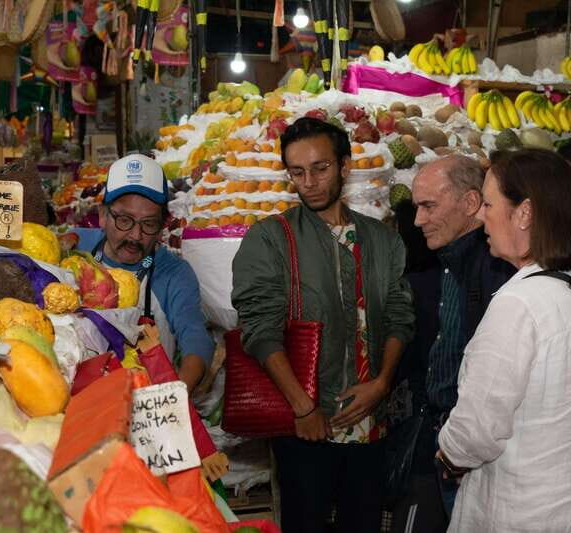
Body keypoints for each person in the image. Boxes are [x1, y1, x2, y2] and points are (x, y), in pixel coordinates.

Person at [231, 117, 414, 533]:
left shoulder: (382, 240)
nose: (308, 182)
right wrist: (303, 407)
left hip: (370, 426)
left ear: (345, 166)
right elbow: (259, 328)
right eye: (297, 172)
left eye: (320, 168)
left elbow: (401, 317)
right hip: (306, 427)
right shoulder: (270, 239)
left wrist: (383, 383)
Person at [437, 148, 571, 532]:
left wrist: (447, 457)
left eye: (488, 203)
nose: (479, 215)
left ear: (523, 213)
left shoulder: (518, 303)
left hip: (528, 512)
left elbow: (476, 430)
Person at [392, 156, 512, 531]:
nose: (417, 220)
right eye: (417, 207)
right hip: (445, 444)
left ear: (471, 203)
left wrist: (458, 450)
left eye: (429, 206)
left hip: (473, 456)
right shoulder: (447, 262)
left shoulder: (495, 269)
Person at [78, 154, 214, 391]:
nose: (135, 236)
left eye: (149, 224)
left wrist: (175, 399)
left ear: (162, 225)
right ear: (102, 215)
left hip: (147, 407)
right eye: (124, 220)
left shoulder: (174, 274)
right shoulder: (75, 250)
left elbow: (196, 340)